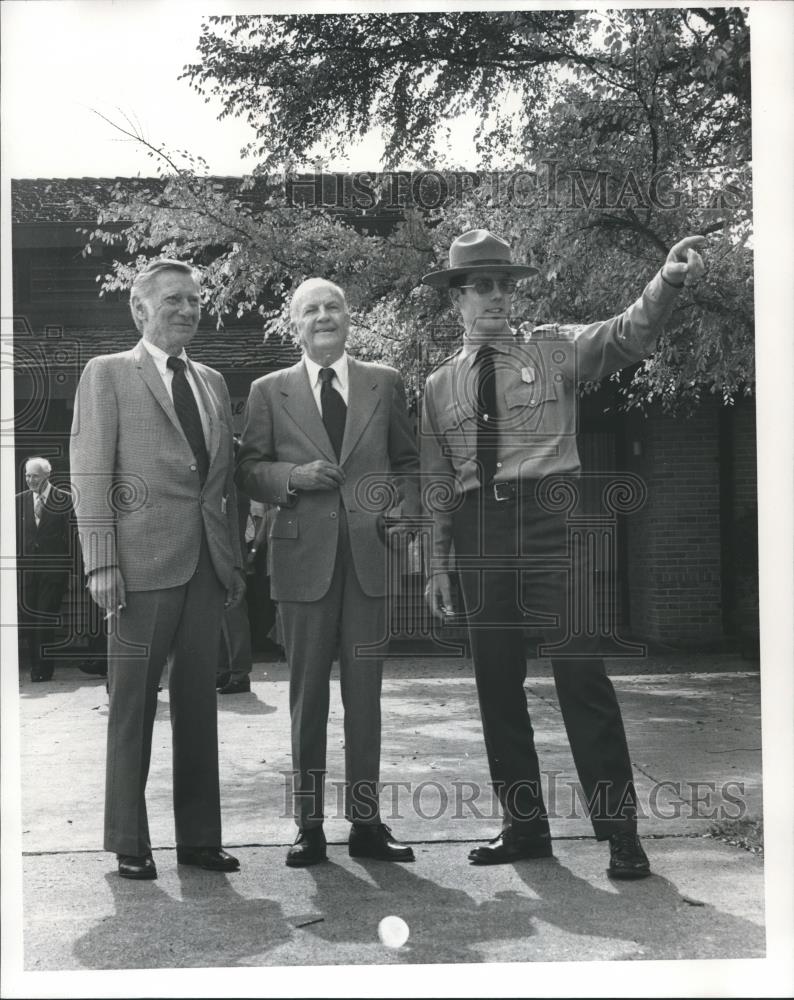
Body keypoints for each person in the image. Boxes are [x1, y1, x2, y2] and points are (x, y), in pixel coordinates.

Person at [421, 229, 706, 878]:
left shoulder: (553, 349)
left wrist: (666, 279)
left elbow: (628, 334)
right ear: (457, 302)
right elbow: (437, 484)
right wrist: (438, 564)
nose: (493, 297)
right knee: (496, 684)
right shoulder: (438, 387)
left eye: (502, 285)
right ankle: (523, 828)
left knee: (580, 672)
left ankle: (621, 833)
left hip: (552, 522)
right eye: (479, 287)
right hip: (479, 534)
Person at [70, 258, 245, 881]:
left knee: (199, 705)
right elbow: (90, 473)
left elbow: (220, 480)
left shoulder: (214, 382)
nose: (188, 309)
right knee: (133, 705)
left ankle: (199, 840)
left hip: (204, 564)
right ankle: (128, 840)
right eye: (173, 299)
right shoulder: (108, 374)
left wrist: (230, 562)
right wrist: (101, 563)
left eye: (195, 300)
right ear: (140, 310)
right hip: (137, 567)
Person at [236, 277, 420, 867]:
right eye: (310, 309)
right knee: (307, 697)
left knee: (366, 697)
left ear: (349, 317)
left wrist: (401, 509)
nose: (323, 316)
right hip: (300, 563)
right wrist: (292, 477)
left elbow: (409, 461)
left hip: (370, 560)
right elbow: (247, 469)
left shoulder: (384, 383)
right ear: (295, 324)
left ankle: (366, 823)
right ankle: (308, 825)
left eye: (333, 307)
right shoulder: (269, 391)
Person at [15, 457, 74, 682]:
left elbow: (71, 537)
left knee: (44, 618)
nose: (30, 480)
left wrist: (75, 570)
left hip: (54, 571)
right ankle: (37, 666)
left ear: (47, 476)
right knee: (30, 618)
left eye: (35, 476)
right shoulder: (18, 501)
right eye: (27, 476)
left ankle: (42, 669)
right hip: (27, 572)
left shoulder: (64, 499)